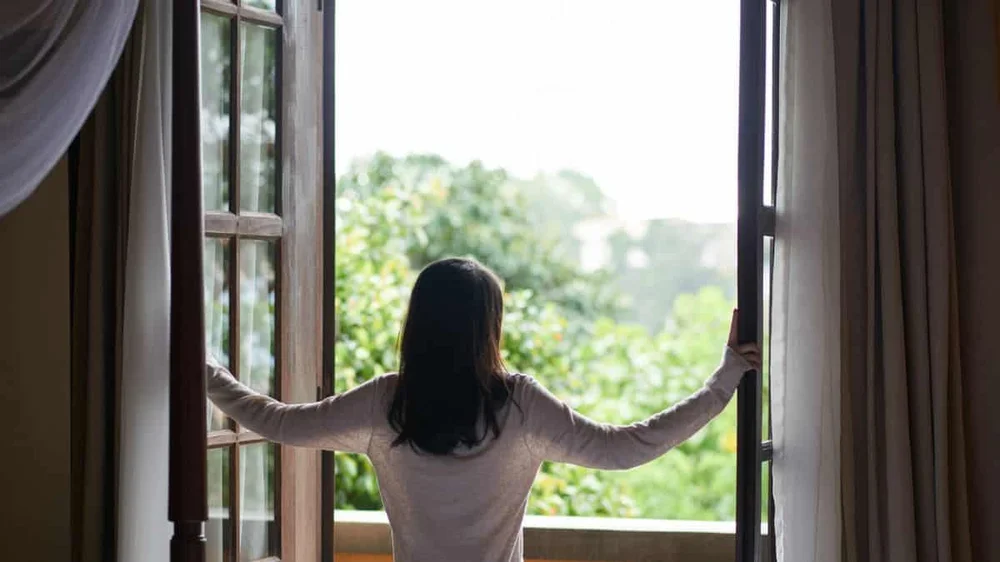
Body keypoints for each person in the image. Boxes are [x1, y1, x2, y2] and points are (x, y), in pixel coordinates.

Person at [206, 257, 761, 562]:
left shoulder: (386, 403)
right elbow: (625, 447)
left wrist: (204, 371)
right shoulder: (518, 405)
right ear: (487, 329)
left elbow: (275, 420)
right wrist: (725, 379)